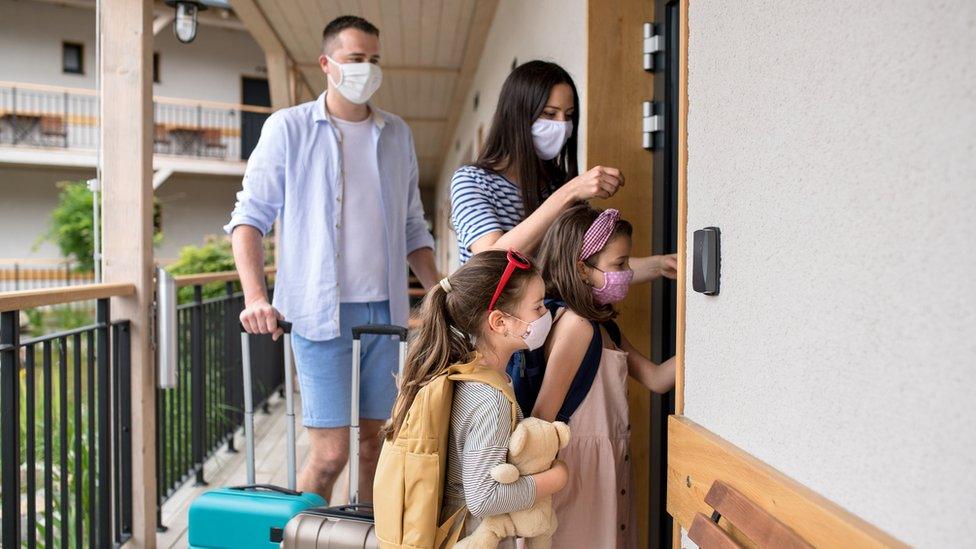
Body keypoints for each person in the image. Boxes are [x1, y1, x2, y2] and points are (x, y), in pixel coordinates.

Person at [224, 15, 440, 503]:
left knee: (375, 448)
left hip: (385, 315)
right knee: (329, 455)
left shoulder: (398, 134)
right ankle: (303, 536)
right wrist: (256, 297)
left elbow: (413, 228)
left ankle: (358, 535)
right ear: (327, 64)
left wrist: (441, 292)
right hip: (318, 316)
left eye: (374, 60)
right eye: (355, 59)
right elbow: (248, 219)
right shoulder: (289, 128)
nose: (367, 69)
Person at [383, 250, 569, 548]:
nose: (546, 313)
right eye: (537, 307)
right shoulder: (489, 399)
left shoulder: (464, 371)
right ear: (499, 322)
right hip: (472, 535)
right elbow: (483, 496)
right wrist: (555, 480)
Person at [449, 60, 677, 282]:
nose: (562, 125)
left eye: (568, 116)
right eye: (549, 114)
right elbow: (491, 262)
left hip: (541, 317)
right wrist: (570, 192)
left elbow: (593, 265)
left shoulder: (556, 183)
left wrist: (659, 265)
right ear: (517, 116)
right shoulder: (472, 181)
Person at [530, 205, 675, 548]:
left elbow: (655, 378)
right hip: (578, 475)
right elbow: (541, 419)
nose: (626, 273)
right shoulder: (576, 327)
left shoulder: (603, 326)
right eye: (619, 264)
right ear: (582, 269)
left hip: (607, 468)